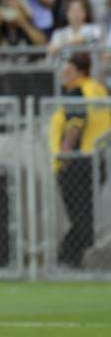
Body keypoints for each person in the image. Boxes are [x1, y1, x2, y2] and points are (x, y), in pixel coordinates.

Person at [50, 53, 111, 268]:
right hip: (98, 160)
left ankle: (66, 259)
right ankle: (73, 261)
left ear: (79, 72)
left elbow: (74, 126)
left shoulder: (76, 92)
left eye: (67, 71)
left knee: (80, 218)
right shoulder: (99, 90)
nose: (63, 76)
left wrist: (65, 156)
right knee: (84, 214)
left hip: (77, 163)